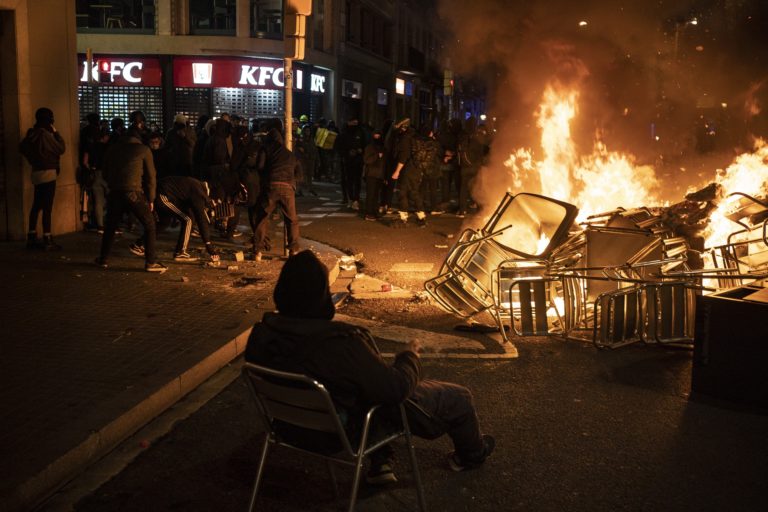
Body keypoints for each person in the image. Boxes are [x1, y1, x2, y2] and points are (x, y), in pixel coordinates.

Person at [245, 250, 495, 483]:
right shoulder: (338, 342)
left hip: (288, 428)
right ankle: (472, 454)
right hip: (339, 431)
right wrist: (409, 358)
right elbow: (394, 389)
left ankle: (381, 461)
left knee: (358, 385)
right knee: (458, 398)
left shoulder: (262, 333)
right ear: (320, 296)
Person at [96, 119, 167, 273]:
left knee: (110, 226)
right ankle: (150, 262)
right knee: (149, 225)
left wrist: (113, 184)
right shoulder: (143, 150)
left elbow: (105, 171)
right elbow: (151, 177)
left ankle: (103, 259)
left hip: (115, 192)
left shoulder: (113, 148)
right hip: (134, 192)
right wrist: (151, 198)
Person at [130, 175, 220, 262]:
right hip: (163, 196)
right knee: (187, 220)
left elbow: (192, 211)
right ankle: (180, 252)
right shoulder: (199, 193)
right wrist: (208, 245)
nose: (214, 204)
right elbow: (201, 219)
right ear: (210, 195)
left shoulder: (198, 187)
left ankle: (138, 245)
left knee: (164, 223)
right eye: (215, 201)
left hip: (164, 194)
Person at [249, 128, 301, 261]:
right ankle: (293, 251)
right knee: (292, 220)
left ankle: (258, 251)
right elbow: (299, 173)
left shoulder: (266, 149)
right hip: (288, 187)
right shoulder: (290, 154)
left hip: (271, 186)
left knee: (262, 217)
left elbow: (260, 166)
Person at [19, 107, 66, 250]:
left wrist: (34, 160)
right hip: (48, 173)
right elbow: (61, 148)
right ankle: (47, 238)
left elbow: (22, 148)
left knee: (36, 205)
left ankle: (32, 236)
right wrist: (56, 133)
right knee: (47, 207)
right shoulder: (45, 134)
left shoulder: (31, 133)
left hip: (36, 173)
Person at [389, 118, 427, 227]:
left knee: (403, 193)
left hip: (407, 170)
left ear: (403, 127)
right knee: (414, 192)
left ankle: (403, 217)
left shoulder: (405, 139)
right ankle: (421, 217)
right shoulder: (415, 136)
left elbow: (403, 157)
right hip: (416, 169)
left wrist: (397, 171)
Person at [337, 118, 366, 210]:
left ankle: (356, 200)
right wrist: (347, 153)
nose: (354, 124)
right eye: (352, 122)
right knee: (349, 180)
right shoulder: (344, 134)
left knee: (357, 181)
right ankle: (350, 198)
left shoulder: (361, 132)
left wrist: (361, 150)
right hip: (347, 161)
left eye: (355, 122)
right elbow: (339, 146)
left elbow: (365, 144)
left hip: (358, 160)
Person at [362, 129, 386, 220]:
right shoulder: (369, 147)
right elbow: (367, 160)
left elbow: (385, 162)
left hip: (379, 174)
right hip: (371, 174)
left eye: (378, 136)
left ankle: (374, 211)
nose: (377, 138)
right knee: (371, 194)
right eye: (375, 136)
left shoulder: (383, 147)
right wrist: (377, 156)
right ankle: (369, 213)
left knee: (376, 195)